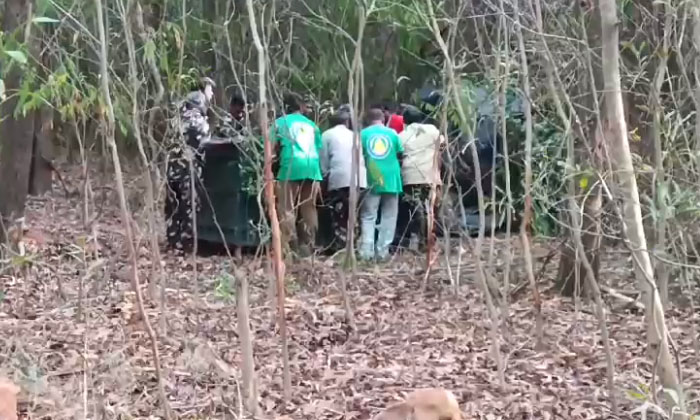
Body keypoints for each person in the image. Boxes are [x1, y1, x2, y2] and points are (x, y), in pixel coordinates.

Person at [165, 77, 216, 253]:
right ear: (203, 92)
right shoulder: (198, 120)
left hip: (171, 168)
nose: (212, 95)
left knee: (173, 206)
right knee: (189, 208)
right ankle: (187, 246)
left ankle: (173, 242)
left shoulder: (177, 117)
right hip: (188, 170)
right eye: (210, 90)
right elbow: (206, 146)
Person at [272, 93, 323, 257]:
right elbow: (318, 149)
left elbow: (269, 149)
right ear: (300, 107)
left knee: (287, 208)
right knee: (309, 208)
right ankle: (309, 247)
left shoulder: (279, 123)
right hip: (312, 168)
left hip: (290, 166)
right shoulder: (312, 125)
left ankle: (289, 248)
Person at [395, 106, 445, 251]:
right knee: (430, 209)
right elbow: (442, 145)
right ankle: (429, 240)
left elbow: (399, 153)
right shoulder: (432, 130)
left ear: (405, 121)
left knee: (416, 210)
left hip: (411, 176)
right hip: (431, 176)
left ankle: (419, 240)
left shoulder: (402, 135)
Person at [359, 108, 404, 261]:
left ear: (367, 120)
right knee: (389, 216)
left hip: (372, 178)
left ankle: (366, 252)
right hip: (392, 179)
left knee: (368, 216)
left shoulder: (362, 134)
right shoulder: (392, 134)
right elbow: (400, 153)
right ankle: (383, 252)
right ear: (383, 119)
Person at [320, 110, 367, 251]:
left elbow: (324, 161)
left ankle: (341, 246)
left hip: (339, 178)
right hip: (359, 178)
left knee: (339, 214)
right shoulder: (355, 135)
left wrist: (323, 177)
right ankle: (355, 245)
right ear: (347, 122)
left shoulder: (326, 135)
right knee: (354, 212)